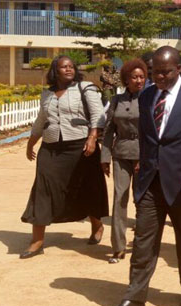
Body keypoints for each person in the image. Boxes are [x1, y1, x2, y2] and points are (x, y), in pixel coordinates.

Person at [102, 46, 181, 306]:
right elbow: (146, 135)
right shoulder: (146, 96)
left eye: (166, 72)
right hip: (150, 182)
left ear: (179, 69)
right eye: (156, 72)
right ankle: (134, 300)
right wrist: (142, 161)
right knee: (143, 241)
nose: (160, 78)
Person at [20, 55, 108, 259]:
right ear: (55, 71)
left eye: (71, 66)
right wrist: (31, 143)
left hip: (81, 146)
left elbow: (98, 116)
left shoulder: (85, 88)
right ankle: (37, 240)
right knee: (43, 189)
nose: (68, 69)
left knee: (87, 187)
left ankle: (97, 225)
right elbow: (41, 120)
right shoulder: (47, 94)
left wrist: (93, 138)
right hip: (51, 148)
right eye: (63, 67)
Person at [100, 59, 147, 264]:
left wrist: (145, 157)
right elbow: (109, 130)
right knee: (120, 198)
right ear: (126, 80)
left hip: (143, 156)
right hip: (121, 155)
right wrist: (105, 157)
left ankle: (141, 246)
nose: (139, 80)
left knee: (142, 200)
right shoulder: (117, 100)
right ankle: (118, 247)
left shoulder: (150, 98)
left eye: (142, 77)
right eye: (134, 77)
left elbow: (154, 132)